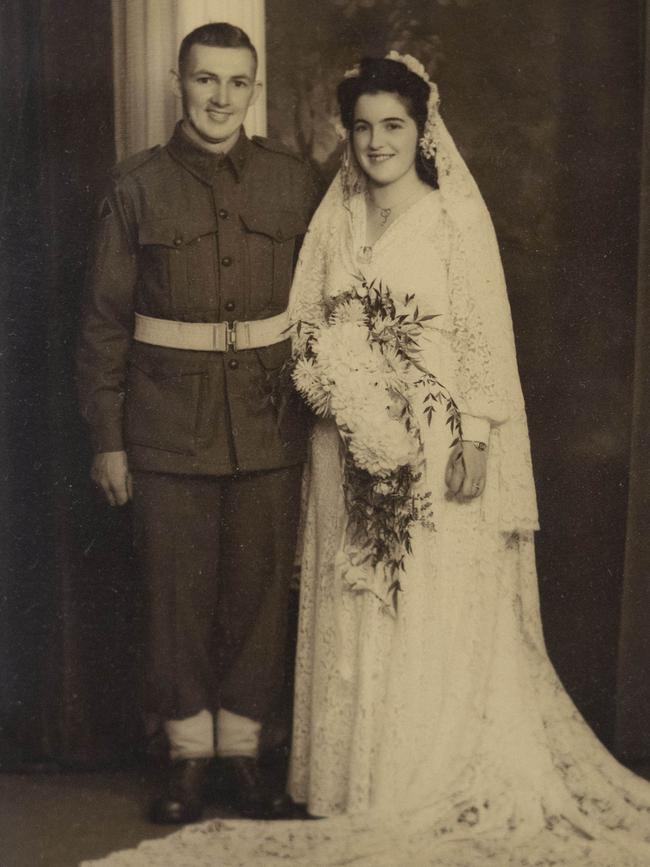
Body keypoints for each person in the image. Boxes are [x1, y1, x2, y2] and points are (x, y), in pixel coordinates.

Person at [81, 54, 650, 867]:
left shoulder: (451, 218)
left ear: (422, 131)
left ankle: (414, 775)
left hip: (434, 436)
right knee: (353, 601)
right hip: (340, 438)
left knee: (423, 604)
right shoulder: (335, 214)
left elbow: (486, 335)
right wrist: (336, 387)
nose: (378, 142)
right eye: (363, 127)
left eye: (394, 126)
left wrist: (476, 435)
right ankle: (354, 781)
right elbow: (303, 316)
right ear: (344, 134)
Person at [76, 22, 320, 824]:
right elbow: (104, 324)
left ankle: (245, 757)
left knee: (257, 593)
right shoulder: (136, 185)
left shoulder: (294, 183)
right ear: (179, 84)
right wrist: (108, 439)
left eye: (236, 82)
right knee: (175, 596)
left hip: (268, 423)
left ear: (254, 89)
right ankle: (185, 758)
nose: (220, 98)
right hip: (164, 427)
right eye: (204, 80)